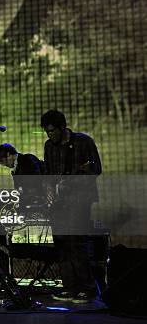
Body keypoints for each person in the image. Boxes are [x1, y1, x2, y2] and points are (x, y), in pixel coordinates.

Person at [40, 110, 102, 304]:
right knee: (61, 244)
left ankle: (87, 288)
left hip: (79, 200)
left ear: (62, 127)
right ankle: (70, 287)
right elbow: (48, 173)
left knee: (77, 243)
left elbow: (96, 169)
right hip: (59, 203)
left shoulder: (84, 142)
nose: (50, 135)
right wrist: (49, 189)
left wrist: (73, 182)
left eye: (52, 131)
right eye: (46, 132)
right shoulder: (49, 146)